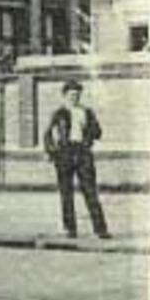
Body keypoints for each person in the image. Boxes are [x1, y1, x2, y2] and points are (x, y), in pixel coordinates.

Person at [44, 81, 110, 240]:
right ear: (65, 96)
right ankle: (70, 229)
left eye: (77, 94)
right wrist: (53, 153)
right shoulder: (59, 113)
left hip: (83, 152)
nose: (75, 97)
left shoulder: (87, 112)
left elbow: (98, 133)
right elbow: (47, 135)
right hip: (65, 153)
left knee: (90, 191)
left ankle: (100, 229)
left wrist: (88, 128)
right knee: (66, 193)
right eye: (71, 95)